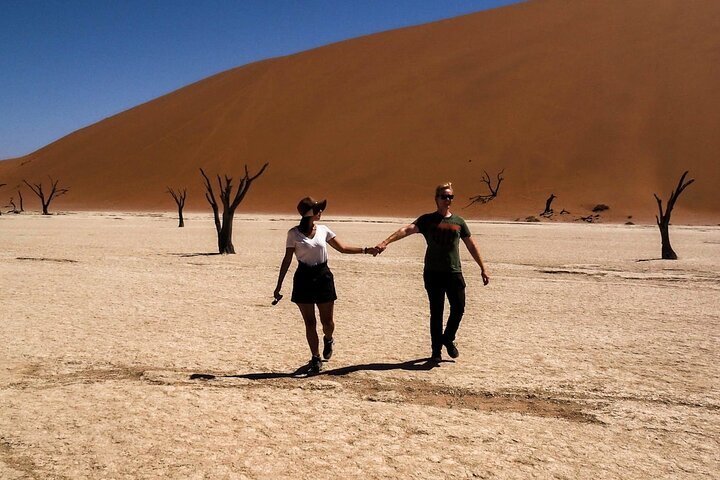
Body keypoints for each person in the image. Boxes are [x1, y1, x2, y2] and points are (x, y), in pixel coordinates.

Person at [375, 182, 489, 362]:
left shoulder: (459, 222)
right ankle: (436, 351)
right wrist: (385, 242)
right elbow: (406, 230)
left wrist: (483, 267)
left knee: (459, 308)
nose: (448, 200)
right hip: (433, 273)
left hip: (454, 272)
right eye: (444, 197)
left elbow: (471, 245)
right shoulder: (427, 220)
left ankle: (448, 338)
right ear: (436, 199)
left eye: (450, 197)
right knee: (437, 312)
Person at [274, 197, 378, 374]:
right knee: (309, 322)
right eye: (317, 210)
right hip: (303, 278)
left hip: (323, 277)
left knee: (327, 322)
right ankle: (315, 357)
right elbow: (287, 260)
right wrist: (278, 286)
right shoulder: (293, 234)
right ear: (310, 214)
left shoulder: (323, 230)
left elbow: (342, 248)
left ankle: (328, 339)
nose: (321, 212)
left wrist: (366, 250)